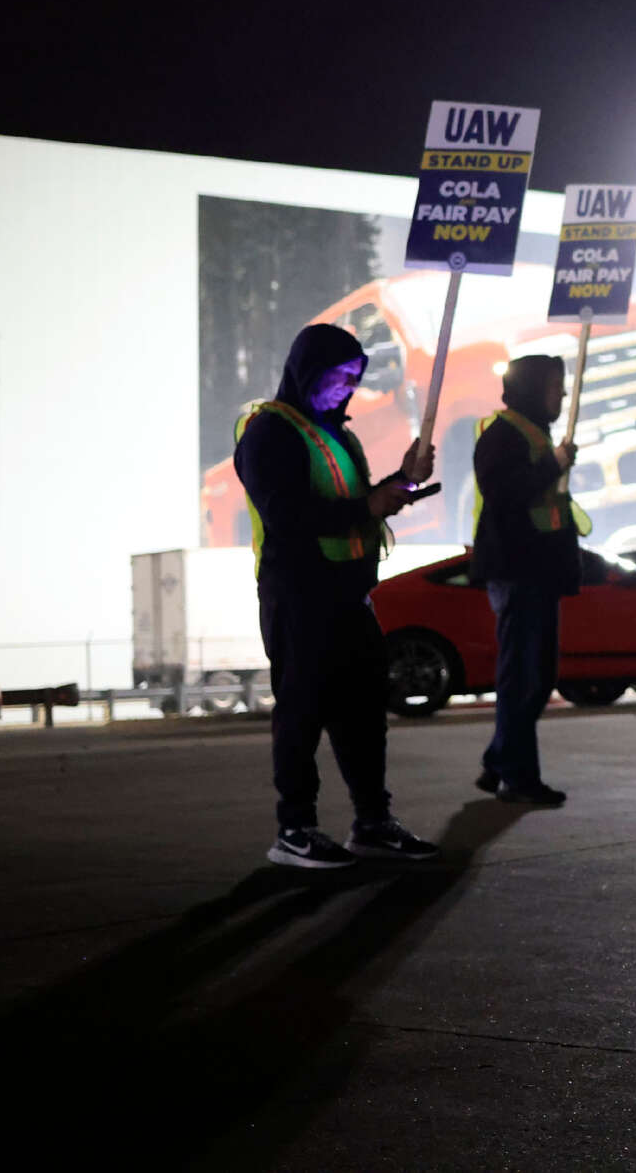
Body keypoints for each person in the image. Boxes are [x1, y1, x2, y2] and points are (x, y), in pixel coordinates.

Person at [234, 324, 441, 866]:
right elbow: (289, 515)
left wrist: (406, 479)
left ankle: (372, 821)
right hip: (299, 593)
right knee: (302, 713)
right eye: (338, 376)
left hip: (350, 594)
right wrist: (371, 505)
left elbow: (359, 502)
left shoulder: (336, 434)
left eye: (355, 378)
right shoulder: (269, 432)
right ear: (307, 369)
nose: (347, 388)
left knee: (364, 714)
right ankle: (294, 830)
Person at [470, 353, 587, 806]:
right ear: (531, 387)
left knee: (537, 678)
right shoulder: (502, 434)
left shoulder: (536, 433)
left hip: (538, 573)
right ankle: (517, 777)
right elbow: (504, 493)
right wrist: (554, 464)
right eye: (553, 385)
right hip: (517, 573)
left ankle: (501, 761)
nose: (559, 394)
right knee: (522, 678)